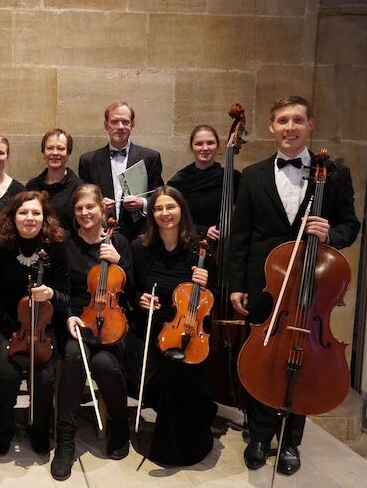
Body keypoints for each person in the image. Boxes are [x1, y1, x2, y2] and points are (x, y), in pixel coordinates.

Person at [229, 96, 359, 476]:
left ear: (310, 125)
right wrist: (237, 284)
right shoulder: (252, 175)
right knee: (261, 358)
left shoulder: (333, 174)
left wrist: (331, 232)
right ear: (272, 127)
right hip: (265, 282)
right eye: (283, 120)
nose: (290, 127)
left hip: (310, 286)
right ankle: (258, 435)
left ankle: (290, 442)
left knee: (303, 363)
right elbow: (240, 236)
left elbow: (350, 225)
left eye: (297, 120)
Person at [129, 185, 217, 467]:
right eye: (158, 208)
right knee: (167, 379)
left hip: (191, 328)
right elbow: (132, 290)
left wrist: (207, 281)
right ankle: (169, 445)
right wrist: (141, 299)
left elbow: (215, 296)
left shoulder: (200, 248)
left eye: (171, 207)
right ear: (151, 213)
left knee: (187, 378)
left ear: (182, 209)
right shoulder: (140, 247)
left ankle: (193, 445)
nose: (165, 213)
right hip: (154, 325)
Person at [51, 184, 134, 480]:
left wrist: (119, 262)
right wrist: (69, 318)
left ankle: (121, 426)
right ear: (73, 213)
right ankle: (65, 441)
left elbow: (132, 293)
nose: (85, 213)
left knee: (103, 364)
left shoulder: (119, 242)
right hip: (76, 320)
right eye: (79, 208)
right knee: (74, 358)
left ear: (103, 208)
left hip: (113, 322)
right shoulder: (64, 244)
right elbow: (59, 291)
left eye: (90, 207)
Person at [0, 191, 70, 456]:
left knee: (44, 377)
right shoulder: (1, 247)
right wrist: (12, 327)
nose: (30, 218)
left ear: (44, 217)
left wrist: (51, 295)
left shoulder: (56, 248)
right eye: (23, 212)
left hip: (44, 328)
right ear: (13, 216)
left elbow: (66, 295)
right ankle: (2, 430)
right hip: (9, 326)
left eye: (36, 213)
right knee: (8, 374)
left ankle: (39, 430)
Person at [78, 101, 164, 241]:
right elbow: (82, 199)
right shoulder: (88, 161)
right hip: (100, 233)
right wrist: (98, 205)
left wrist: (142, 203)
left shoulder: (150, 157)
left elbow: (159, 196)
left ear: (132, 124)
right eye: (114, 122)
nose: (120, 127)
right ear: (106, 125)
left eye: (125, 122)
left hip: (140, 235)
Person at [168, 125, 240, 241]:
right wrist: (203, 231)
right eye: (199, 144)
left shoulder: (233, 177)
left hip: (224, 243)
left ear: (217, 146)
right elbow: (171, 218)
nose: (205, 148)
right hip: (189, 242)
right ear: (192, 147)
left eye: (210, 143)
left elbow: (245, 214)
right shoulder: (179, 181)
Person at [26, 128, 83, 232]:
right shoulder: (32, 186)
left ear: (68, 154)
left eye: (60, 148)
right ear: (43, 153)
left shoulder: (79, 188)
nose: (55, 153)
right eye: (50, 148)